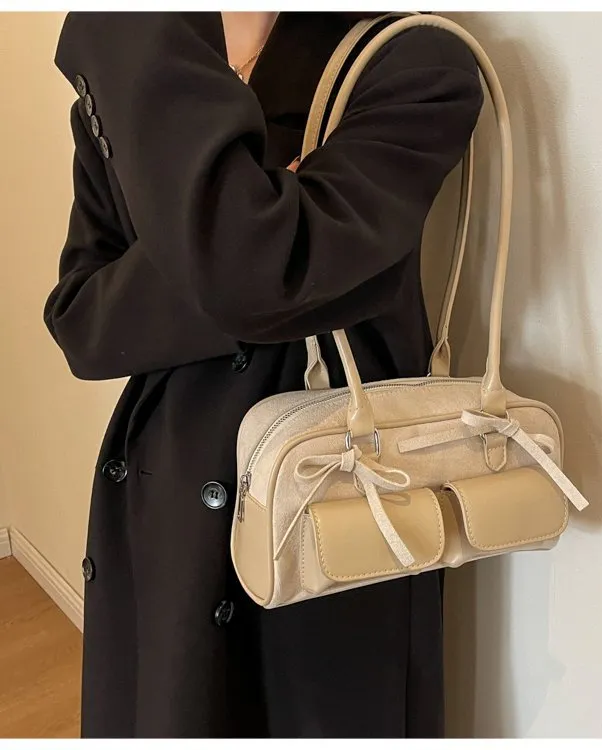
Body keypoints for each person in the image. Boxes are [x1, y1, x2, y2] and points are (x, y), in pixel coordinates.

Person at [44, 10, 483, 738]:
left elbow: (252, 273)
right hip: (167, 497)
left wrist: (237, 248)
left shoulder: (405, 58)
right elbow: (81, 324)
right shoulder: (143, 77)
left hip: (334, 501)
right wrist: (266, 218)